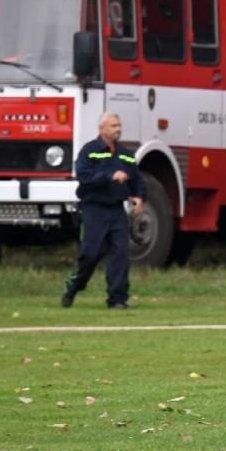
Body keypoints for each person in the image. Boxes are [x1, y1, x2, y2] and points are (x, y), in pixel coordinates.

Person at [61, 112, 144, 309]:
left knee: (120, 254)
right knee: (90, 254)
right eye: (114, 126)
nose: (118, 129)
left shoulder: (126, 154)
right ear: (102, 129)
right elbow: (84, 176)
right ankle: (74, 286)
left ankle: (117, 299)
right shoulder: (89, 151)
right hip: (93, 209)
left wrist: (139, 197)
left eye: (119, 125)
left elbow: (137, 179)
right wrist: (109, 176)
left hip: (116, 210)